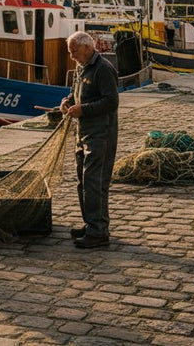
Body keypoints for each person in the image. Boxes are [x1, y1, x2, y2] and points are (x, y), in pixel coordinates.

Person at [60, 31, 119, 250]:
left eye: (74, 51)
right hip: (82, 133)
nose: (72, 56)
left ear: (87, 47)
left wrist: (83, 110)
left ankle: (98, 231)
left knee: (95, 182)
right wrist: (67, 102)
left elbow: (112, 102)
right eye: (70, 52)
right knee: (82, 182)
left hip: (100, 134)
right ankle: (91, 223)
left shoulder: (103, 69)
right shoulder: (81, 67)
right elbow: (75, 93)